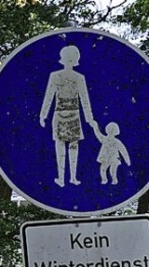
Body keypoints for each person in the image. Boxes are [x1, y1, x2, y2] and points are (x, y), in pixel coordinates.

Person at [39, 45, 96, 188]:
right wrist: (89, 117)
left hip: (64, 114)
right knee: (71, 146)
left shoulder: (59, 76)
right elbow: (84, 100)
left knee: (64, 146)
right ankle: (70, 178)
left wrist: (43, 115)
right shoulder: (77, 77)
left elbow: (84, 99)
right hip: (69, 113)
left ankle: (65, 178)